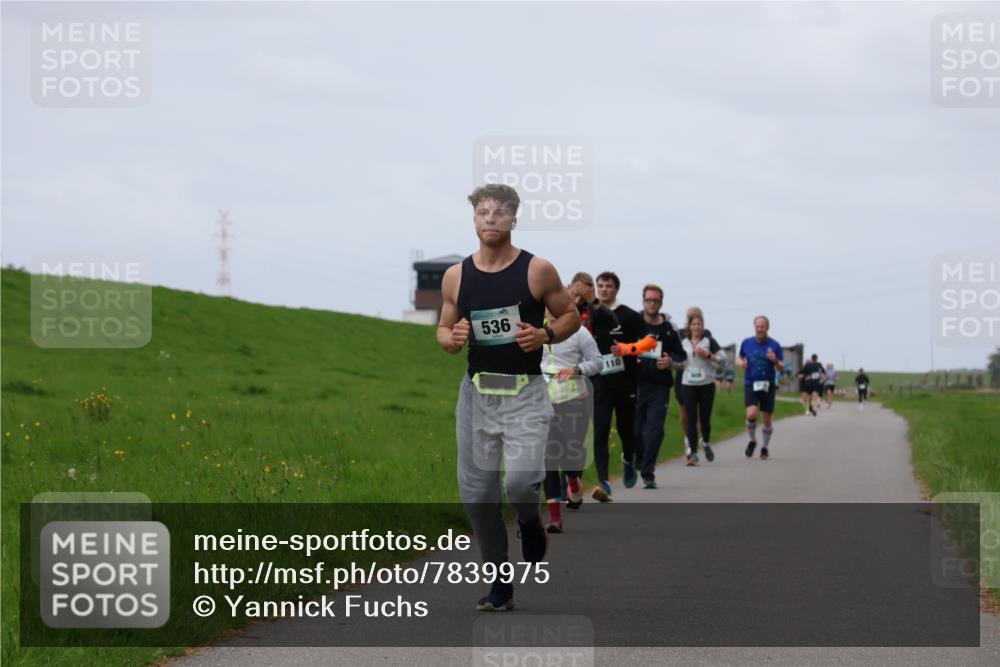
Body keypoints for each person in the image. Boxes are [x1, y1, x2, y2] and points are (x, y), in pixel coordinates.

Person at [438, 183, 580, 611]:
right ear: (474, 219)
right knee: (478, 497)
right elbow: (445, 331)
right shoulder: (456, 276)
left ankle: (529, 520)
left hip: (525, 394)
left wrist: (546, 334)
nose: (491, 219)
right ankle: (500, 584)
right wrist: (453, 337)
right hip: (477, 396)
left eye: (500, 213)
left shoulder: (537, 270)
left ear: (514, 219)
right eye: (483, 212)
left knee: (519, 481)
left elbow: (570, 315)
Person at [540, 311, 602, 532]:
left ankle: (573, 480)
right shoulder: (535, 329)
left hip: (574, 400)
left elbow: (597, 362)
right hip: (544, 402)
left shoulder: (579, 332)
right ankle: (555, 518)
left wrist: (577, 370)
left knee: (571, 453)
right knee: (548, 457)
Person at [567, 273, 620, 502]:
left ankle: (601, 479)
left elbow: (613, 324)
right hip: (567, 379)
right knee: (572, 436)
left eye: (584, 292)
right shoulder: (563, 310)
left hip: (596, 376)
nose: (578, 296)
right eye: (575, 291)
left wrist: (594, 301)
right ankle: (571, 483)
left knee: (597, 430)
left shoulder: (596, 311)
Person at [592, 271, 643, 499]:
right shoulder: (589, 316)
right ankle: (603, 479)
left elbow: (648, 343)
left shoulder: (629, 316)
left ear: (616, 289)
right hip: (600, 382)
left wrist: (627, 349)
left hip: (626, 381)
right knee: (601, 429)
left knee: (626, 429)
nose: (604, 290)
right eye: (601, 285)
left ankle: (628, 460)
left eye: (609, 286)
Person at [630, 284, 686, 489]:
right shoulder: (634, 323)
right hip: (635, 384)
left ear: (661, 302)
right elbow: (620, 348)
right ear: (643, 301)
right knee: (635, 432)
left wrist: (670, 362)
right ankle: (638, 457)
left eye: (655, 300)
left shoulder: (670, 328)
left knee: (654, 430)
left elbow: (683, 357)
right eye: (648, 300)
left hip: (659, 386)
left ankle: (648, 473)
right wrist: (630, 358)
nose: (651, 304)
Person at [675, 306, 722, 462]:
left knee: (705, 419)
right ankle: (693, 452)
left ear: (703, 326)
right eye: (693, 324)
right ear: (689, 326)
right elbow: (679, 362)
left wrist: (708, 355)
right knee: (691, 417)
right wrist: (673, 363)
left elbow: (722, 358)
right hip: (688, 384)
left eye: (699, 324)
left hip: (707, 384)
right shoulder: (683, 342)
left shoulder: (709, 341)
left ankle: (706, 442)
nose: (696, 327)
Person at [738, 315, 785, 460]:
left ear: (767, 328)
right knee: (751, 414)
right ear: (754, 327)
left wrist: (775, 360)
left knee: (766, 418)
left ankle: (764, 447)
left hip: (768, 384)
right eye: (757, 326)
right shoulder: (746, 342)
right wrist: (741, 363)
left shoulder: (775, 345)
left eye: (762, 326)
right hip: (750, 383)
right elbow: (740, 357)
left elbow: (782, 367)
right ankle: (752, 440)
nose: (760, 329)